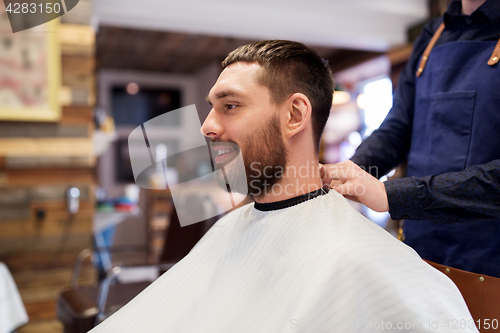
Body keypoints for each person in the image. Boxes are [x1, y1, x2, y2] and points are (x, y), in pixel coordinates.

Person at [90, 41, 477, 333]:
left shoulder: (361, 262)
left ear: (295, 115)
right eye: (212, 106)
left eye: (230, 105)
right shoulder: (230, 226)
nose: (206, 126)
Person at [321, 0, 500, 324]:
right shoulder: (432, 36)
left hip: (489, 270)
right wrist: (349, 172)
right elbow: (397, 129)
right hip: (418, 256)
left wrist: (392, 195)